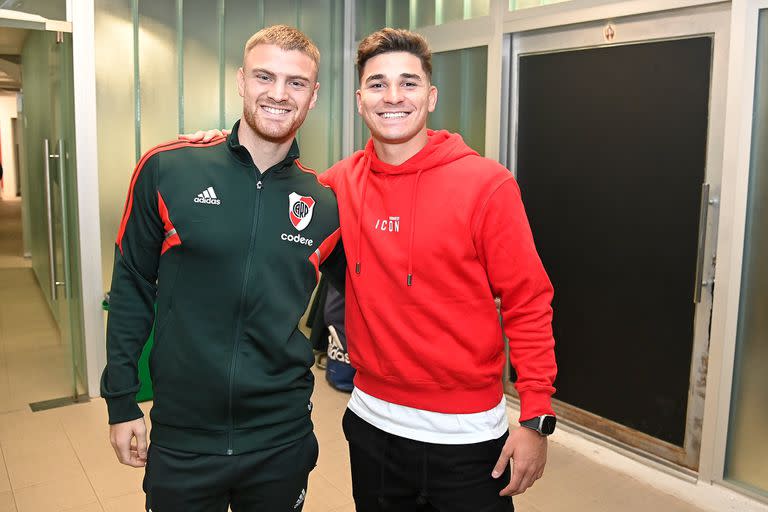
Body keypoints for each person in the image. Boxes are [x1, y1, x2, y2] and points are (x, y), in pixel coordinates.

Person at [189, 27, 557, 512]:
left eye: (408, 83)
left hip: (468, 436)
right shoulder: (337, 186)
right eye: (378, 84)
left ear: (430, 96)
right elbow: (271, 190)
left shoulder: (486, 184)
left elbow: (527, 301)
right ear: (360, 99)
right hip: (372, 427)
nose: (393, 97)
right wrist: (218, 154)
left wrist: (535, 418)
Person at [101, 25, 342, 512]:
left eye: (296, 82)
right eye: (264, 76)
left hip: (281, 437)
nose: (278, 93)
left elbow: (373, 292)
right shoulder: (169, 168)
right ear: (241, 81)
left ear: (313, 96)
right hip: (184, 437)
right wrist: (121, 400)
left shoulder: (326, 201)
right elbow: (131, 285)